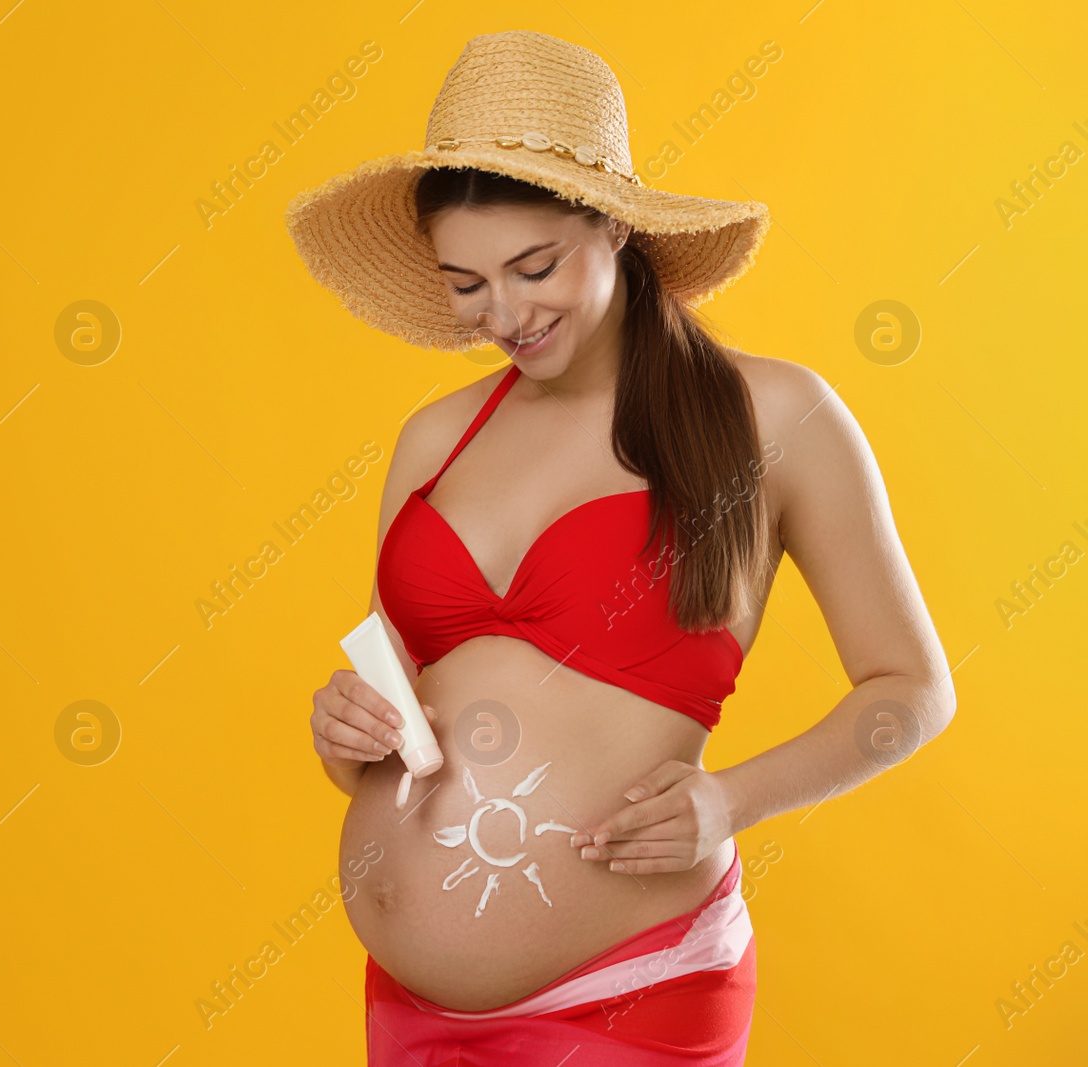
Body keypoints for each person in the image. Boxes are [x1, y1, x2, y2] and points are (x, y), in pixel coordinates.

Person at [285, 30, 956, 1066]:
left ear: (614, 227)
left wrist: (728, 798)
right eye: (465, 284)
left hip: (627, 995)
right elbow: (407, 724)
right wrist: (347, 737)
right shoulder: (432, 438)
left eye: (533, 266)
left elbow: (911, 689)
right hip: (406, 1010)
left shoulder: (772, 416)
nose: (502, 314)